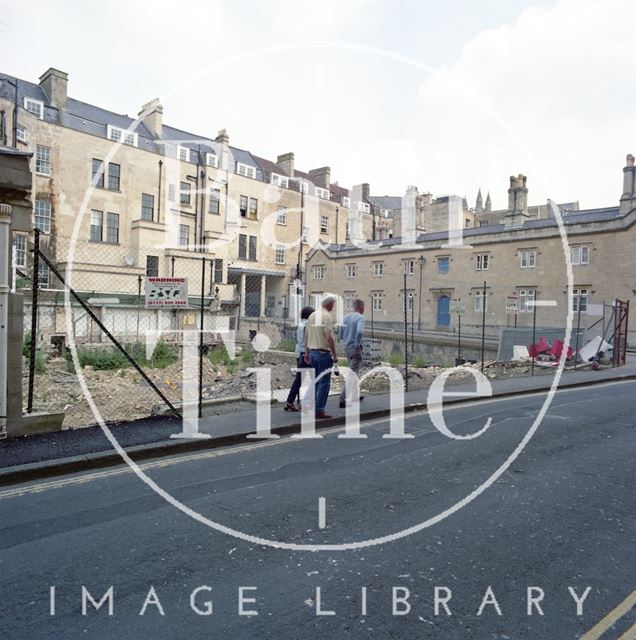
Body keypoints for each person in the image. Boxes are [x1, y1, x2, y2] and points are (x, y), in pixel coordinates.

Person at [303, 295, 338, 419]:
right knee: (324, 383)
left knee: (316, 381)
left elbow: (306, 334)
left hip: (312, 352)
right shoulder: (327, 317)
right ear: (329, 304)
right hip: (323, 353)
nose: (334, 307)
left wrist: (306, 352)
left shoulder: (312, 316)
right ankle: (319, 410)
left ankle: (311, 407)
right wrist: (334, 355)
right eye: (333, 304)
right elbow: (329, 337)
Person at [283, 305, 314, 412]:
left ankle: (289, 402)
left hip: (299, 353)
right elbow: (308, 340)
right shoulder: (308, 325)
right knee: (315, 379)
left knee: (299, 380)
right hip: (306, 354)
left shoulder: (301, 324)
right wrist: (308, 353)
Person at [338, 299, 366, 408]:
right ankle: (343, 398)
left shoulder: (345, 318)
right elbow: (359, 331)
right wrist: (357, 344)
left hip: (346, 348)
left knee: (353, 372)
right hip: (355, 349)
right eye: (363, 308)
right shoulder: (361, 318)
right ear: (361, 308)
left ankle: (355, 395)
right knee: (352, 374)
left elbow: (340, 333)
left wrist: (344, 340)